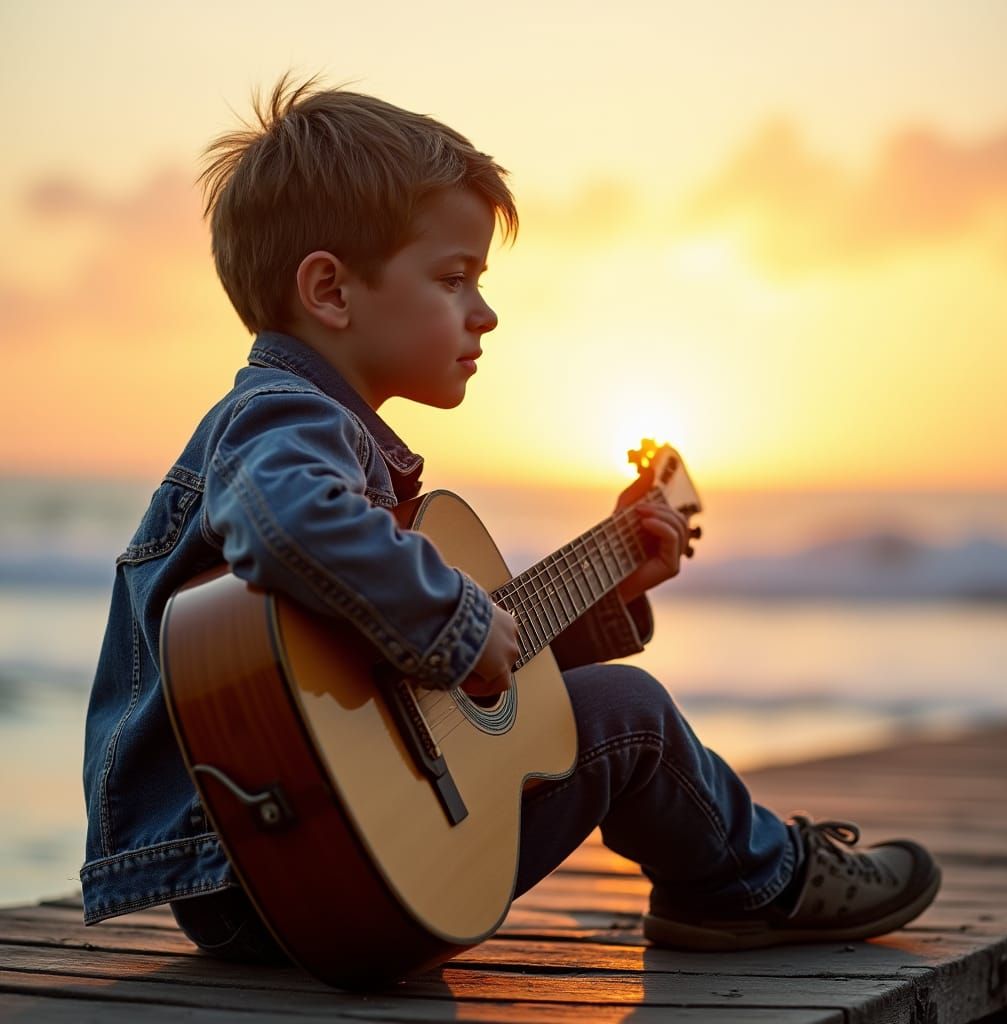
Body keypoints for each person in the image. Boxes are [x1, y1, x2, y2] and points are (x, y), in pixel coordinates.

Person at [81, 73, 940, 966]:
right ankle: (753, 882)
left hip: (272, 890)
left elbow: (421, 692)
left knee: (575, 705)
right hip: (303, 867)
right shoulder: (289, 421)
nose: (485, 314)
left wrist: (612, 579)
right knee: (630, 714)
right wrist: (453, 623)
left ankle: (732, 872)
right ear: (331, 291)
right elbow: (284, 520)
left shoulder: (326, 452)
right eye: (453, 279)